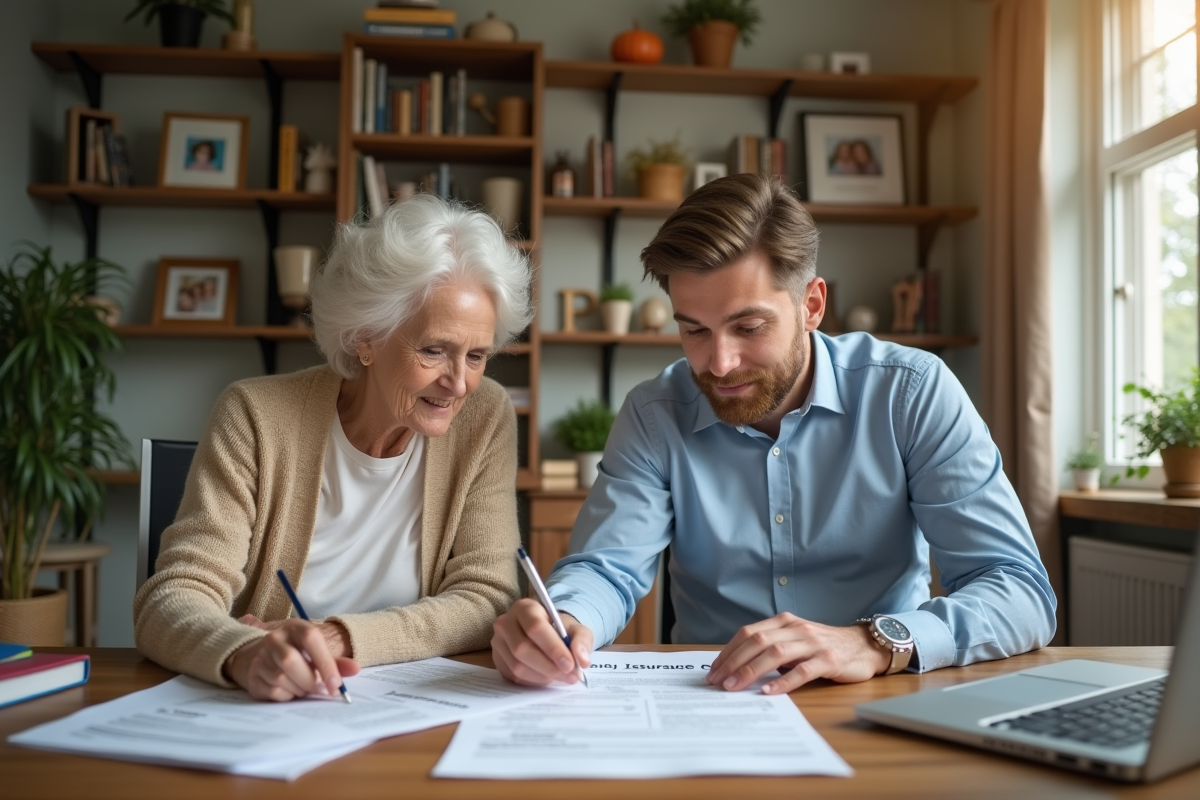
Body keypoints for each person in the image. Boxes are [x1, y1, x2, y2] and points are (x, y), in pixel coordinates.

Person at [491, 174, 1056, 695]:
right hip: (714, 701)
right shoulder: (654, 413)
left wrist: (871, 641)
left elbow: (1019, 592)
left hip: (879, 691)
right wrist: (563, 620)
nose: (719, 362)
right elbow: (605, 569)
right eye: (694, 330)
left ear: (811, 304)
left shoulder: (911, 392)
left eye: (749, 327)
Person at [135, 194, 533, 701]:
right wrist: (242, 653)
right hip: (267, 707)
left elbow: (489, 598)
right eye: (434, 350)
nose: (459, 383)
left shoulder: (484, 417)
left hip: (407, 711)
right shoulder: (255, 415)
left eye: (476, 355)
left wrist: (340, 637)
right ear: (366, 337)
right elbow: (171, 599)